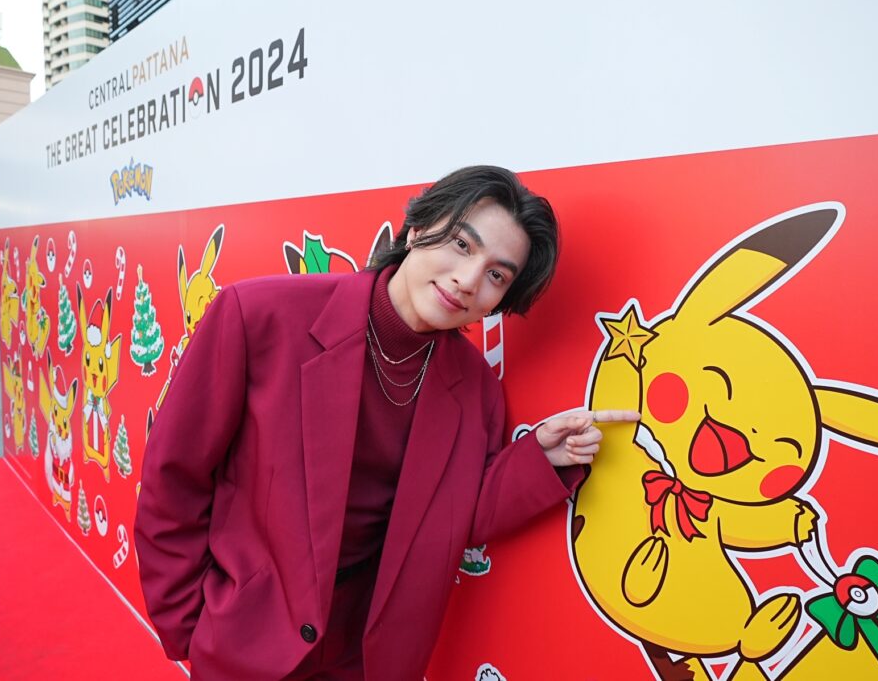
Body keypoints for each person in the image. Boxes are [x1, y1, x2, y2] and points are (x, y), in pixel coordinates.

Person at [135, 165, 639, 680]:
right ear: (417, 229)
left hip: (368, 657)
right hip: (248, 640)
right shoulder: (259, 316)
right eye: (462, 245)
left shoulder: (475, 389)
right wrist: (190, 628)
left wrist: (542, 457)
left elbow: (452, 516)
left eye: (496, 276)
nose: (467, 281)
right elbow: (174, 475)